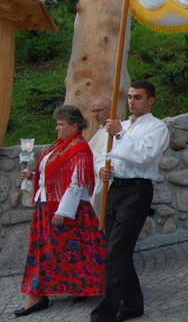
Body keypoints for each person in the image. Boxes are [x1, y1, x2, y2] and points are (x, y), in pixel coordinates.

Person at [15, 105, 106, 317]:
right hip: (47, 205)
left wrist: (63, 212)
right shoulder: (60, 146)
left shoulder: (80, 148)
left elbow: (77, 183)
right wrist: (31, 177)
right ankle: (75, 287)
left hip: (63, 209)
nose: (57, 128)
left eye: (61, 124)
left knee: (61, 251)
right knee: (63, 251)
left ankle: (38, 295)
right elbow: (49, 174)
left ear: (74, 126)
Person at [90, 80, 170, 322]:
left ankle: (106, 312)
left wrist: (120, 135)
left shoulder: (158, 128)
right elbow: (102, 155)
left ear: (150, 101)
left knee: (116, 251)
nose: (132, 101)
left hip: (137, 191)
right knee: (117, 250)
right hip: (115, 188)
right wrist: (101, 171)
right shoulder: (121, 125)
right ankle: (134, 304)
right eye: (131, 97)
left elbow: (145, 155)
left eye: (138, 97)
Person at [88, 96, 112, 217]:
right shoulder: (100, 129)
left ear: (110, 109)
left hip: (104, 178)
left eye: (99, 110)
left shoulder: (114, 130)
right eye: (94, 111)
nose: (95, 114)